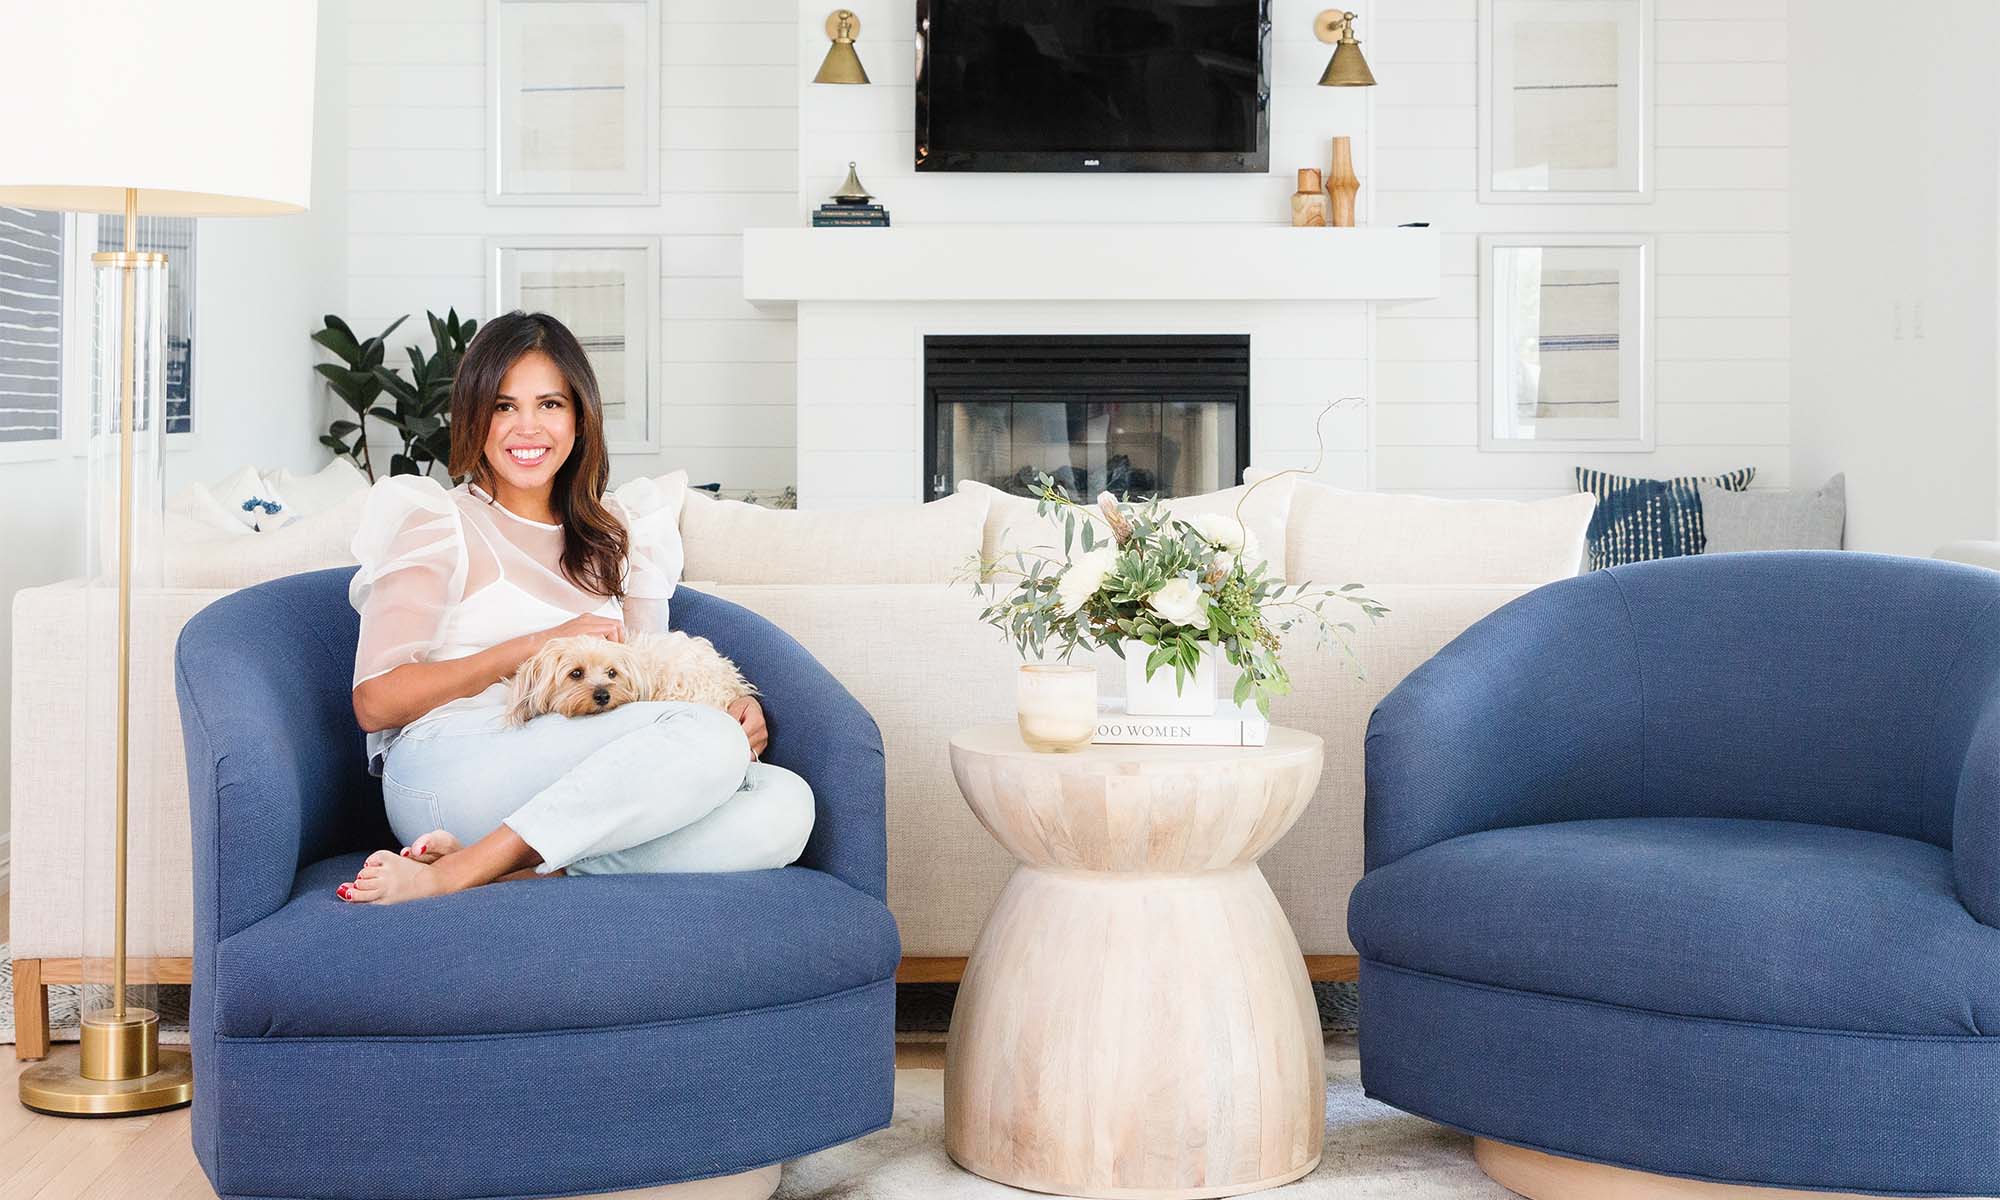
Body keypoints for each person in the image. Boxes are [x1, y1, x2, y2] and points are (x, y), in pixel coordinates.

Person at [337, 311, 812, 905]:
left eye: (550, 404)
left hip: (580, 780)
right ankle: (446, 877)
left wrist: (731, 708)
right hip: (451, 772)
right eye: (504, 406)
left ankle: (518, 870)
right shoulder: (440, 524)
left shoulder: (618, 533)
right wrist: (535, 646)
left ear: (580, 417)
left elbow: (650, 691)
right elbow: (375, 702)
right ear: (474, 414)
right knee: (708, 740)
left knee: (784, 804)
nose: (527, 428)